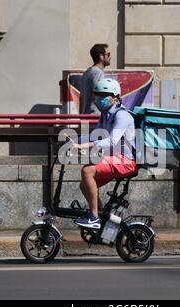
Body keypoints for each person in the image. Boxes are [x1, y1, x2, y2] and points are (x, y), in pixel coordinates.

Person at [72, 78, 137, 229]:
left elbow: (111, 141)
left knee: (87, 171)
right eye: (97, 95)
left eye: (104, 95)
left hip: (127, 161)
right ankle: (101, 216)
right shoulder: (106, 115)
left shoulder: (122, 116)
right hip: (115, 159)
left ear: (115, 97)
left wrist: (84, 145)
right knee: (85, 185)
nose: (99, 99)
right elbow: (96, 135)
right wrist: (74, 140)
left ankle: (94, 217)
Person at [79, 44, 111, 114]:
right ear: (101, 56)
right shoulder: (98, 73)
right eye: (108, 54)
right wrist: (106, 113)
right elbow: (97, 97)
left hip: (87, 118)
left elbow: (81, 98)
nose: (110, 57)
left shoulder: (87, 72)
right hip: (95, 118)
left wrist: (81, 117)